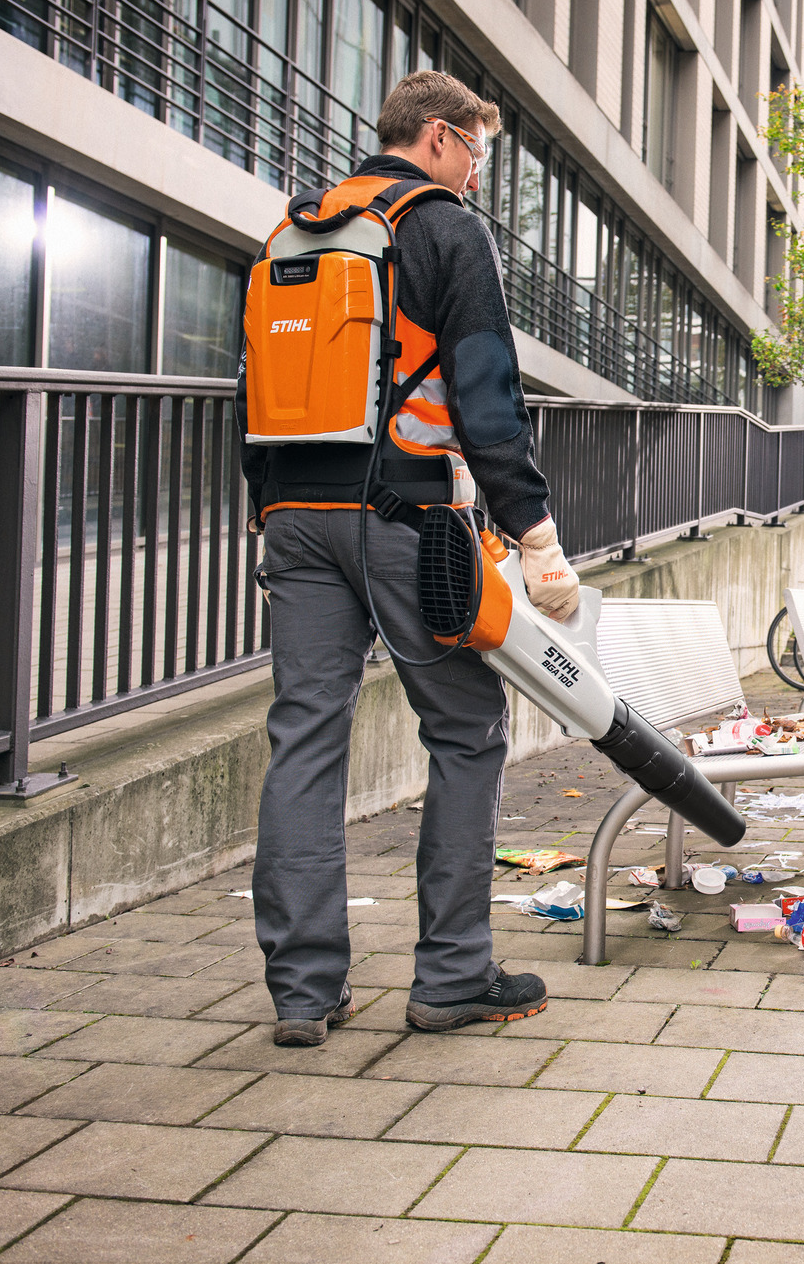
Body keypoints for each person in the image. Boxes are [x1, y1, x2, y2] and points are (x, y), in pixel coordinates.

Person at [239, 71, 578, 1047]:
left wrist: (267, 504)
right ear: (437, 137)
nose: (478, 173)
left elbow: (252, 377)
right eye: (476, 150)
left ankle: (303, 993)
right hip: (403, 515)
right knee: (466, 724)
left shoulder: (298, 229)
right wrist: (537, 534)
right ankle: (452, 975)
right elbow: (486, 395)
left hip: (297, 516)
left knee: (304, 735)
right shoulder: (443, 228)